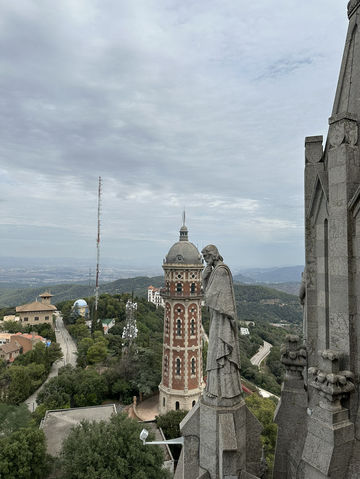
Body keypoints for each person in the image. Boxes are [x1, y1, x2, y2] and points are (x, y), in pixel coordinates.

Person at [201, 244, 242, 402]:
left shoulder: (221, 271)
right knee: (214, 352)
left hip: (222, 320)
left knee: (219, 352)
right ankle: (215, 389)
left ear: (212, 255)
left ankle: (224, 391)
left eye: (206, 257)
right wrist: (205, 276)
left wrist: (206, 278)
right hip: (217, 318)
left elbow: (211, 296)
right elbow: (210, 294)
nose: (205, 260)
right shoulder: (216, 270)